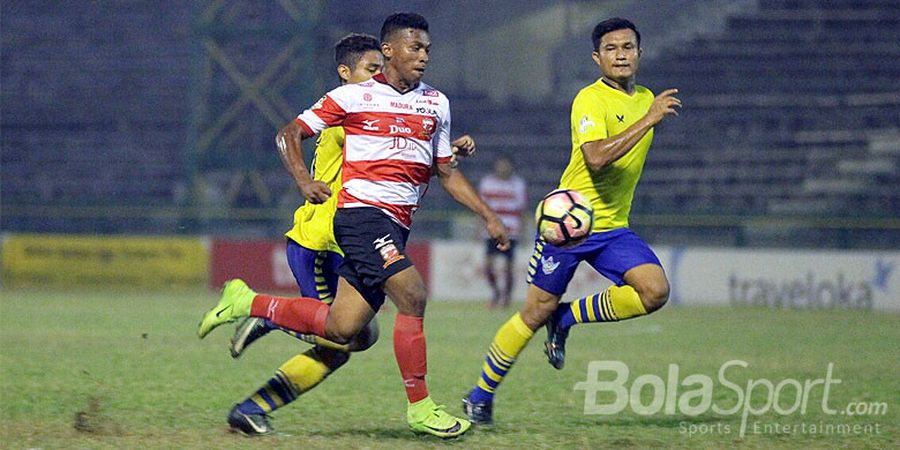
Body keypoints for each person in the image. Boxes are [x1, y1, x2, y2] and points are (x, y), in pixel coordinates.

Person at [199, 13, 509, 438]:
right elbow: (289, 132)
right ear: (389, 50)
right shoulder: (352, 99)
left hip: (395, 225)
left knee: (344, 330)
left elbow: (443, 171)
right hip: (359, 218)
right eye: (414, 48)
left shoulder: (437, 103)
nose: (423, 57)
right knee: (412, 295)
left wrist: (488, 214)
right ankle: (420, 407)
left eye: (427, 50)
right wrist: (304, 182)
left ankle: (250, 305)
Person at [462, 17, 681, 425]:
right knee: (532, 314)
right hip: (569, 226)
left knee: (654, 292)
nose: (620, 55)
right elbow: (596, 159)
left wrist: (646, 112)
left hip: (613, 227)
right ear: (597, 58)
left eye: (628, 47)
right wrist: (649, 119)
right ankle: (479, 396)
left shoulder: (645, 97)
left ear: (639, 52)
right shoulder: (590, 100)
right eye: (611, 49)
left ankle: (566, 318)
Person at [477, 155, 527, 308]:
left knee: (508, 267)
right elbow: (480, 207)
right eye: (500, 165)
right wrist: (479, 228)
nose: (503, 168)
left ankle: (506, 297)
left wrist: (523, 232)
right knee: (488, 266)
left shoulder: (518, 184)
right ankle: (496, 292)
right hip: (491, 230)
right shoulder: (487, 183)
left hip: (511, 230)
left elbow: (522, 210)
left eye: (505, 165)